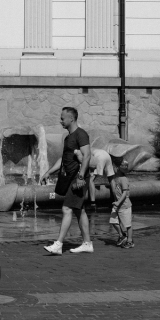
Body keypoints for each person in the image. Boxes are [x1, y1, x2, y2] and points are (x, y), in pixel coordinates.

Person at [44, 107, 93, 255]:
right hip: (71, 178)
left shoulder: (81, 134)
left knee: (67, 208)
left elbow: (87, 155)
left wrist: (81, 176)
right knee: (79, 210)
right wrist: (49, 172)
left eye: (62, 118)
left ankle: (58, 244)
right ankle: (87, 243)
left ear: (71, 118)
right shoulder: (68, 137)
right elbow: (64, 159)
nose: (60, 121)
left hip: (78, 178)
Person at [110, 160, 133, 248]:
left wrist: (118, 202)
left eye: (114, 167)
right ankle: (122, 235)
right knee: (113, 221)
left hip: (124, 205)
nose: (113, 169)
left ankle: (130, 241)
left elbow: (125, 193)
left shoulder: (123, 179)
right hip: (117, 204)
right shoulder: (116, 178)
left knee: (127, 225)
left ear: (118, 168)